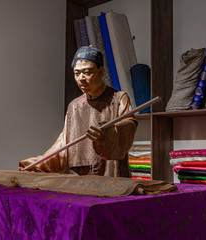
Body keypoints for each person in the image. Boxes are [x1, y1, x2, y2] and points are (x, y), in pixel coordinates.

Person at [19, 46, 138, 177]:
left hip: (110, 174)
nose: (81, 78)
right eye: (77, 73)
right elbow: (63, 144)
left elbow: (129, 126)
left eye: (87, 72)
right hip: (80, 177)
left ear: (101, 71)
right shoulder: (74, 106)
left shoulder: (119, 99)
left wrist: (108, 134)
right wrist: (39, 163)